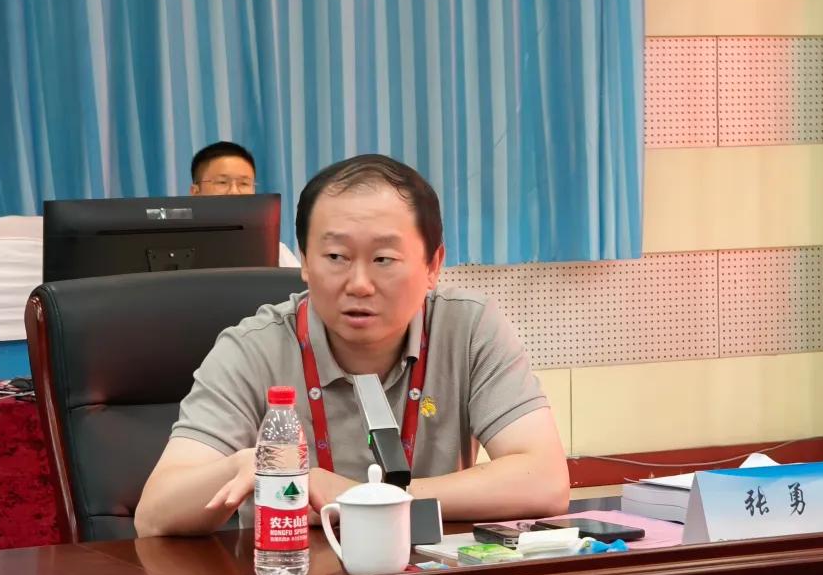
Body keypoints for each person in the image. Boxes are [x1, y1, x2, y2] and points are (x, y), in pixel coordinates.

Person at [135, 154, 569, 537]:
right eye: (336, 257)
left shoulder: (468, 327)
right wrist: (242, 465)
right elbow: (153, 515)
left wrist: (360, 497)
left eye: (383, 259)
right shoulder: (252, 348)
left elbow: (545, 482)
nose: (359, 284)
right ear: (305, 261)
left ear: (433, 265)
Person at [189, 141, 299, 267]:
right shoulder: (177, 251)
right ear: (195, 192)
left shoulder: (275, 253)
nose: (234, 192)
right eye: (222, 182)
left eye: (244, 183)